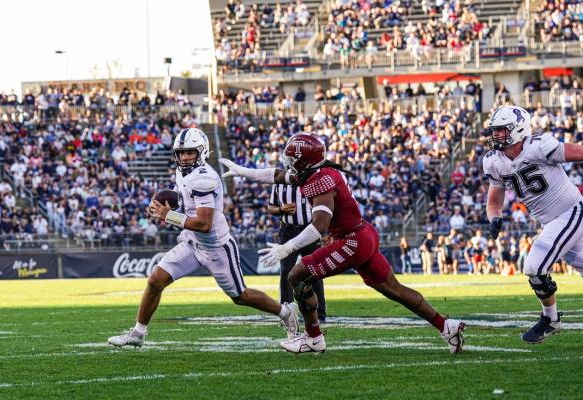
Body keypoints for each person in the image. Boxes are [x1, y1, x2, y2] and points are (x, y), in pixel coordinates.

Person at [219, 133, 465, 354]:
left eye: (292, 158)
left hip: (351, 241)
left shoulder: (320, 180)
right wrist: (242, 171)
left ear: (304, 160)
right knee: (395, 289)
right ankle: (446, 326)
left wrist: (287, 247)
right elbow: (276, 175)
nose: (288, 163)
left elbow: (319, 225)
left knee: (297, 275)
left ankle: (313, 338)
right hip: (362, 234)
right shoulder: (313, 172)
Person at [108, 128, 299, 347]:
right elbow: (186, 202)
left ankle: (285, 312)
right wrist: (166, 202)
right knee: (155, 280)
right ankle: (138, 334)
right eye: (180, 153)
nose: (184, 157)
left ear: (202, 151)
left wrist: (169, 215)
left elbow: (204, 224)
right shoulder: (183, 173)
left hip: (216, 247)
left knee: (240, 296)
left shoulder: (204, 179)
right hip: (192, 242)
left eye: (189, 152)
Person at [483, 105, 583, 344]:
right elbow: (493, 201)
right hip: (552, 222)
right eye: (494, 131)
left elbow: (578, 152)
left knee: (534, 265)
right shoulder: (494, 161)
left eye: (501, 130)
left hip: (571, 211)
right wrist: (494, 218)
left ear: (518, 130)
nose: (495, 135)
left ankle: (551, 319)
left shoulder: (539, 146)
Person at [269, 183, 327, 322]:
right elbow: (271, 207)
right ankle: (286, 312)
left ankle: (320, 312)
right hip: (288, 231)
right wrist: (281, 209)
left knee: (315, 271)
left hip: (310, 231)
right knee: (286, 271)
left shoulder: (311, 182)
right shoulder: (278, 183)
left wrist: (325, 231)